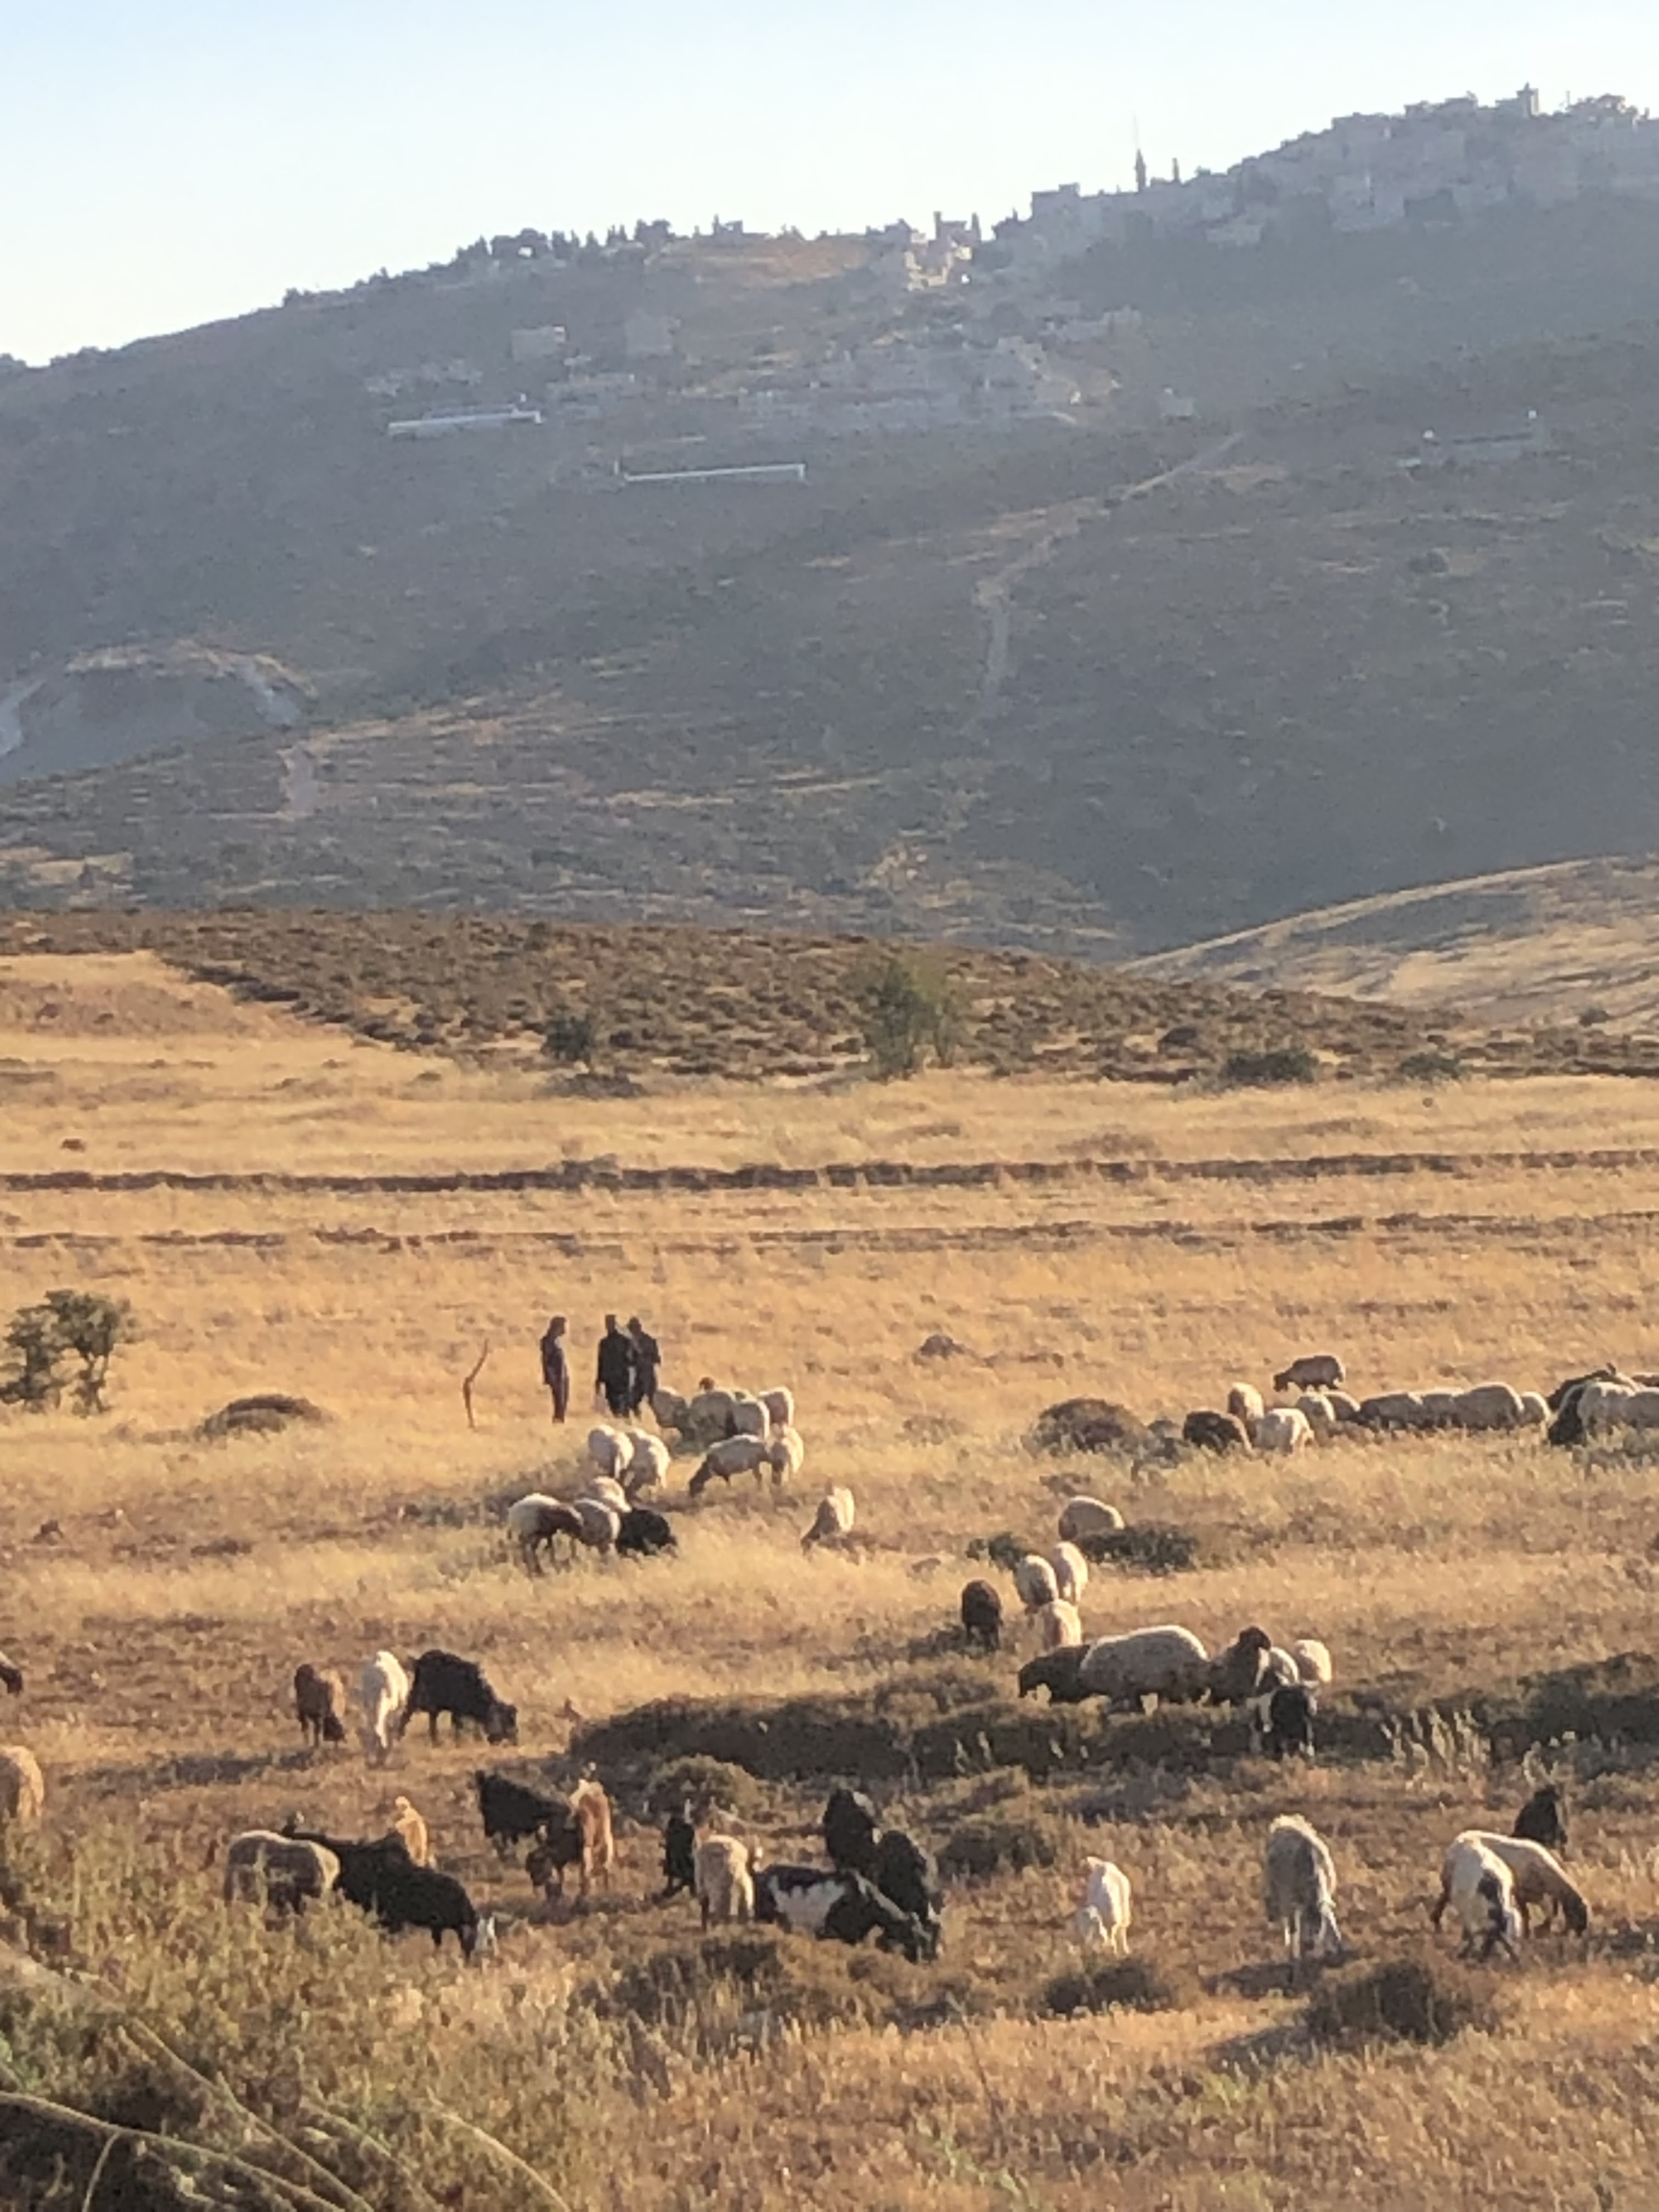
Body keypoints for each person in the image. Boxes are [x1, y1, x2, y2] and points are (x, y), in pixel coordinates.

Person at [595, 1313, 636, 1419]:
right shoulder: (604, 1343)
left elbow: (632, 1361)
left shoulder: (625, 1341)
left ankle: (625, 1423)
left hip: (622, 1379)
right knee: (613, 1406)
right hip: (610, 1380)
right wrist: (599, 1380)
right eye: (608, 1324)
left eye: (611, 1323)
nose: (609, 1326)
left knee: (624, 1406)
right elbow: (601, 1361)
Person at [539, 1314, 569, 1425]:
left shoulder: (557, 1340)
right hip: (556, 1377)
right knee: (559, 1403)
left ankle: (560, 1422)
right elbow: (547, 1361)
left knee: (563, 1402)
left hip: (562, 1375)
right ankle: (558, 1423)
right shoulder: (548, 1341)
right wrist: (552, 1377)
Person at [628, 1316, 661, 1417]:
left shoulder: (649, 1341)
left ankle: (659, 1421)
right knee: (633, 1403)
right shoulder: (632, 1342)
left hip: (648, 1376)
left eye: (633, 1328)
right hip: (639, 1377)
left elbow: (657, 1359)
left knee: (653, 1403)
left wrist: (644, 1357)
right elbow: (631, 1362)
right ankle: (639, 1420)